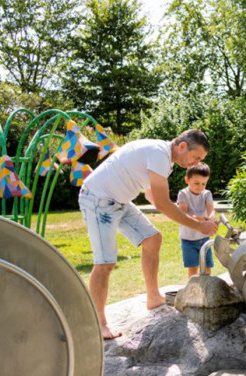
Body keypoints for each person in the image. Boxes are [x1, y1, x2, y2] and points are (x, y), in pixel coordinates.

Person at [79, 129, 219, 340]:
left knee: (153, 239)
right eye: (196, 157)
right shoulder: (159, 154)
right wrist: (199, 227)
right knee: (105, 262)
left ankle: (153, 297)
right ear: (182, 146)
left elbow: (151, 195)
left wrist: (195, 219)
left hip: (119, 201)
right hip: (97, 200)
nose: (195, 163)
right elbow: (162, 204)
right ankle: (97, 323)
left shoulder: (165, 159)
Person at [177, 162, 216, 278]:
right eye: (197, 183)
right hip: (188, 239)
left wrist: (211, 218)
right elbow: (182, 213)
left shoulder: (207, 194)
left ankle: (206, 291)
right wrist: (198, 219)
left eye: (204, 183)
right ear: (187, 180)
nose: (200, 187)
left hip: (204, 238)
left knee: (207, 270)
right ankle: (193, 293)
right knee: (193, 272)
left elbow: (211, 209)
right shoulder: (183, 194)